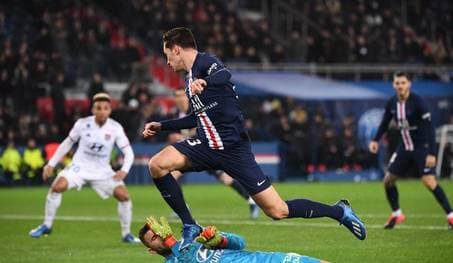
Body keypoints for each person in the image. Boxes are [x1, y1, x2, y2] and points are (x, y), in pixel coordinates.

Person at [142, 27, 366, 250]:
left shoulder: (205, 62)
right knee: (157, 165)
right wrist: (162, 126)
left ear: (177, 49)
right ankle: (190, 225)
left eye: (167, 55)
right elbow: (196, 118)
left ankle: (339, 211)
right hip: (205, 145)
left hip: (233, 149)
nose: (167, 62)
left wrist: (206, 82)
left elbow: (224, 74)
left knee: (277, 211)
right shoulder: (189, 78)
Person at [29, 93, 141, 243]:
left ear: (109, 111)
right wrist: (51, 164)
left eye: (105, 108)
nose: (102, 111)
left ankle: (126, 234)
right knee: (57, 187)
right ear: (93, 110)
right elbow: (67, 143)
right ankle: (47, 225)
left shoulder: (115, 128)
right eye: (98, 108)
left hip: (103, 171)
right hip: (79, 167)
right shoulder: (82, 124)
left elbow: (128, 152)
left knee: (124, 197)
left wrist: (124, 170)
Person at [368, 72, 453, 229]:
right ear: (393, 85)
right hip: (404, 147)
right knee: (388, 180)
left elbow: (430, 128)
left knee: (429, 181)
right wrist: (376, 140)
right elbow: (384, 123)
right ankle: (397, 214)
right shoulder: (391, 103)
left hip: (421, 147)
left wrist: (431, 152)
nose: (400, 86)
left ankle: (451, 216)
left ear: (409, 84)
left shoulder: (418, 102)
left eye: (403, 82)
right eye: (397, 83)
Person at [170, 88, 259, 219]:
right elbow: (175, 133)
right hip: (191, 151)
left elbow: (204, 129)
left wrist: (184, 136)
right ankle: (182, 208)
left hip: (207, 150)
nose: (179, 99)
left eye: (182, 96)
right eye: (177, 96)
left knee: (226, 179)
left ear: (187, 97)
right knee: (172, 174)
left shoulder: (196, 108)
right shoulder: (176, 113)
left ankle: (251, 200)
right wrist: (174, 136)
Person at [139, 216, 328, 263]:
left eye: (159, 232)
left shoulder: (194, 239)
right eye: (154, 238)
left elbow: (241, 243)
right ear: (151, 250)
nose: (160, 236)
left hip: (263, 259)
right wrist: (171, 242)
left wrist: (221, 240)